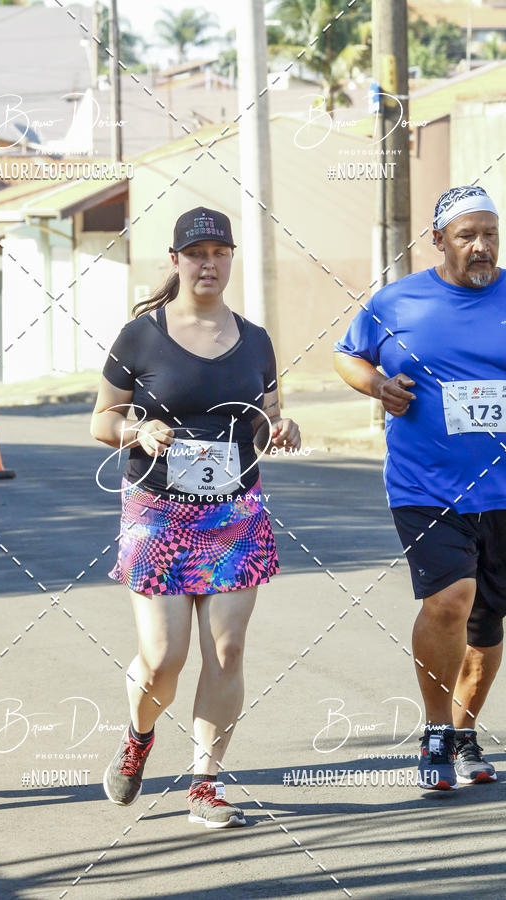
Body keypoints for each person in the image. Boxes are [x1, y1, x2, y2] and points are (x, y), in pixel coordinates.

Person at [91, 207, 301, 826]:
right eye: (196, 253)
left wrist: (282, 425)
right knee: (163, 656)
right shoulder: (141, 335)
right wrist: (136, 430)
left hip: (234, 509)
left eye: (219, 252)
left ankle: (205, 784)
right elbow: (101, 419)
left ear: (231, 259)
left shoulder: (256, 338)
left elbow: (265, 413)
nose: (208, 263)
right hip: (157, 510)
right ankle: (138, 735)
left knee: (227, 649)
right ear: (176, 261)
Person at [334, 185, 504, 791]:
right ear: (438, 241)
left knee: (488, 620)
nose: (482, 247)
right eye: (467, 236)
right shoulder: (397, 302)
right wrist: (378, 386)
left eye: (490, 233)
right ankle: (435, 732)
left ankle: (463, 733)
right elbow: (346, 355)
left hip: (503, 491)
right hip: (426, 485)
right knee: (450, 601)